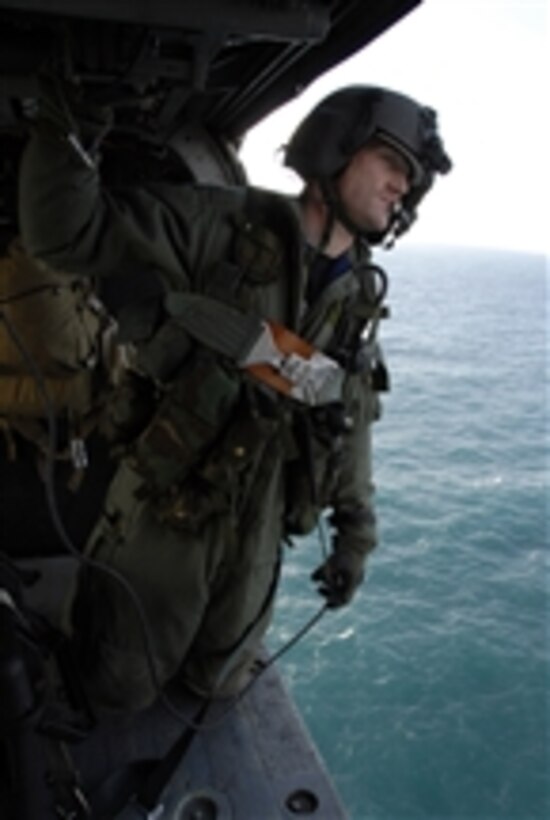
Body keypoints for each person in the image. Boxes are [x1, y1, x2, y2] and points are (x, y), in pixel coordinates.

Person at [18, 83, 451, 711]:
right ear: (338, 149)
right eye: (392, 164)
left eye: (409, 179)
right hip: (165, 520)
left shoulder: (356, 296)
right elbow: (63, 235)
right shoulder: (219, 225)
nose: (400, 187)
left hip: (259, 534)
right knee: (112, 688)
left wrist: (356, 534)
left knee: (215, 687)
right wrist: (70, 118)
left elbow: (349, 418)